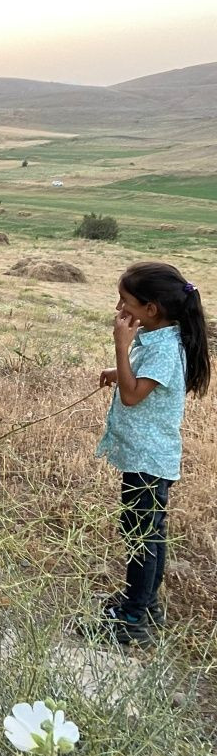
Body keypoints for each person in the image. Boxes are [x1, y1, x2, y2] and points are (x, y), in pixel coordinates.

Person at [94, 262, 210, 644]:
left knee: (141, 538)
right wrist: (119, 370)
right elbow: (142, 383)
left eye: (125, 301)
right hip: (148, 458)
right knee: (147, 534)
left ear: (151, 309)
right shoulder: (161, 338)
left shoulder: (162, 348)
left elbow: (132, 397)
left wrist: (121, 346)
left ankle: (132, 620)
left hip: (148, 461)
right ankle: (145, 605)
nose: (119, 308)